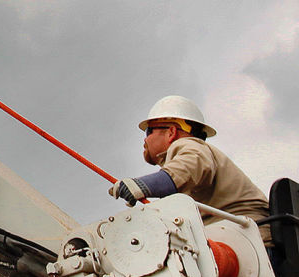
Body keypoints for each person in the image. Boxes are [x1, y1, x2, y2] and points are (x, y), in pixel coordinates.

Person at [109, 95, 270, 224]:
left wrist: (141, 186)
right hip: (238, 236)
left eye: (149, 132)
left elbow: (189, 167)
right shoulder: (192, 155)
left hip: (246, 241)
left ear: (171, 132)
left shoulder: (190, 145)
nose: (145, 140)